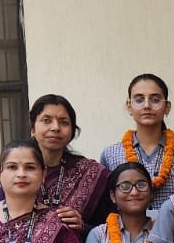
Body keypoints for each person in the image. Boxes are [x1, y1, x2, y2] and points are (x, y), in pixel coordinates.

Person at [99, 73, 174, 211]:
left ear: (167, 107)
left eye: (155, 99)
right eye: (139, 99)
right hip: (125, 231)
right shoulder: (110, 154)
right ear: (129, 106)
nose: (147, 106)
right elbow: (106, 205)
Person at [27, 93, 111, 235]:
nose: (55, 127)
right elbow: (2, 218)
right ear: (33, 129)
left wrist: (83, 226)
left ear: (72, 132)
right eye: (46, 120)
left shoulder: (92, 173)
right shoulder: (16, 171)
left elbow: (111, 226)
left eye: (64, 122)